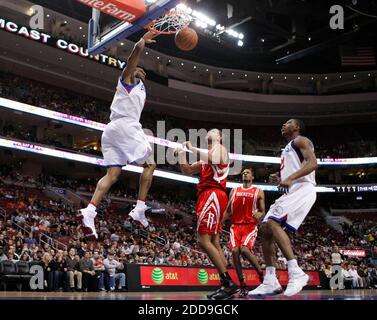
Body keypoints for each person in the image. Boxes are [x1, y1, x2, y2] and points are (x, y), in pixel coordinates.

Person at [77, 30, 160, 240]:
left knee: (112, 175)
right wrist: (141, 42)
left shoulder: (140, 88)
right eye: (134, 69)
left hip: (112, 131)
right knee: (150, 164)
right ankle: (140, 208)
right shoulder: (126, 80)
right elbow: (134, 57)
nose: (137, 70)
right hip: (125, 126)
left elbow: (136, 68)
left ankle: (90, 211)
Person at [249, 119, 317, 297]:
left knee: (272, 223)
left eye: (288, 123)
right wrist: (281, 180)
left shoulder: (301, 140)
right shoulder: (287, 148)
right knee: (264, 229)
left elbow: (313, 164)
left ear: (297, 127)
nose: (283, 125)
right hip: (292, 191)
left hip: (303, 189)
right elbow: (294, 172)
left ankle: (296, 273)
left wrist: (290, 178)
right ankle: (271, 280)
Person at [174, 129, 239, 300]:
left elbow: (213, 158)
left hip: (213, 194)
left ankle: (228, 283)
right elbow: (187, 170)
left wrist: (191, 147)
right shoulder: (205, 156)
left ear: (220, 137)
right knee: (214, 241)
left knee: (202, 239)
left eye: (214, 131)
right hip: (208, 195)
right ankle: (226, 285)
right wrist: (181, 154)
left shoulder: (221, 150)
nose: (211, 132)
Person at [222, 168, 265, 297]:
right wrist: (219, 223)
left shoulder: (258, 191)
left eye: (247, 172)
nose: (244, 174)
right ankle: (242, 285)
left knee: (245, 250)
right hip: (236, 226)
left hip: (250, 226)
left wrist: (260, 214)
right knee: (235, 252)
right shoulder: (234, 191)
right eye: (243, 173)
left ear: (252, 177)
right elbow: (228, 211)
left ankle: (261, 274)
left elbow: (262, 210)